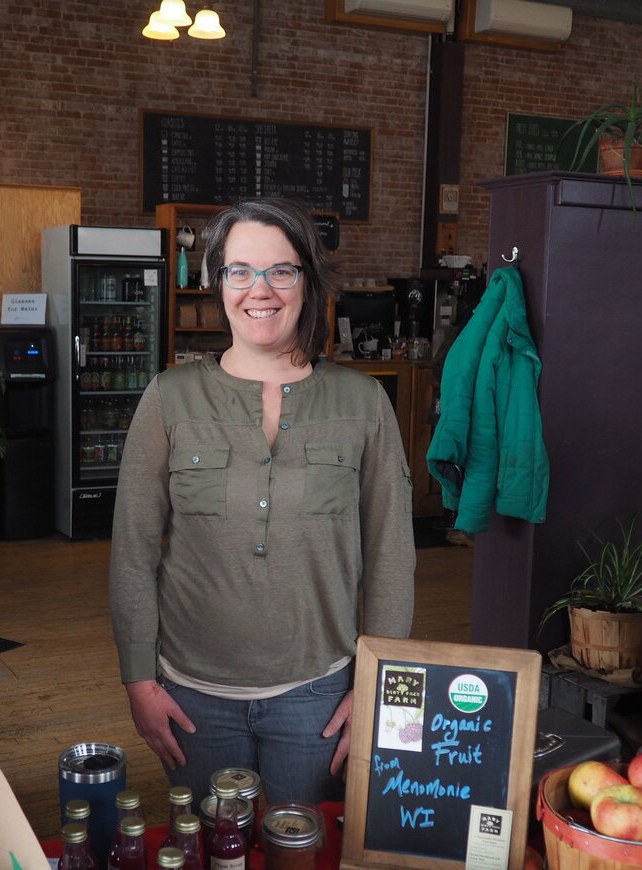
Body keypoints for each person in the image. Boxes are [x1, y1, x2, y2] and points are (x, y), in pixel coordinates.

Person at [110, 197, 416, 809]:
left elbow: (391, 556)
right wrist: (138, 679)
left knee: (303, 860)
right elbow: (132, 552)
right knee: (210, 859)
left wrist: (380, 685)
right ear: (219, 282)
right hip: (191, 697)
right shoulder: (170, 399)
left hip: (320, 699)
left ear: (309, 281)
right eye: (240, 270)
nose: (260, 289)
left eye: (280, 270)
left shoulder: (363, 404)